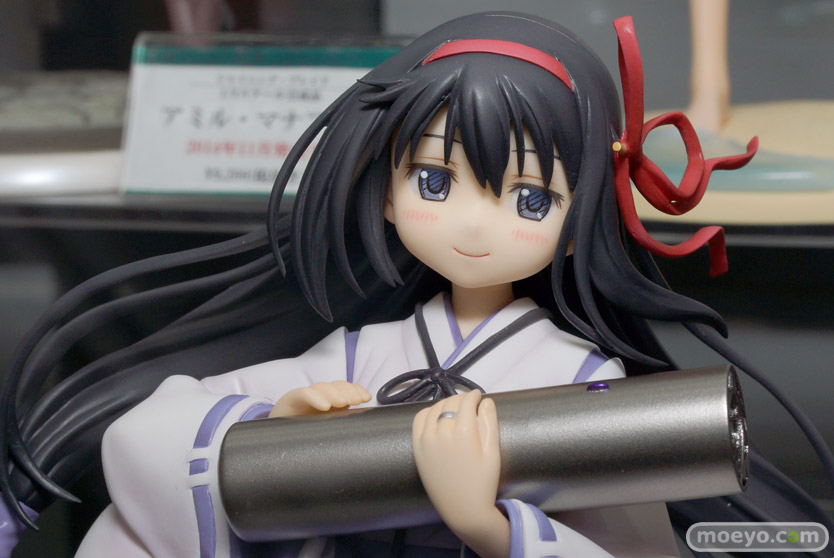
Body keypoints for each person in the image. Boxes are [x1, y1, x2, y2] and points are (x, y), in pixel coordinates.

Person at [1, 11, 831, 558]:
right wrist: (271, 426)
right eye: (435, 182)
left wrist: (492, 527)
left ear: (582, 219)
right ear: (387, 192)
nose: (473, 225)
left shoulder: (578, 381)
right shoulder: (362, 351)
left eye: (529, 200)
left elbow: (629, 545)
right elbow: (152, 435)